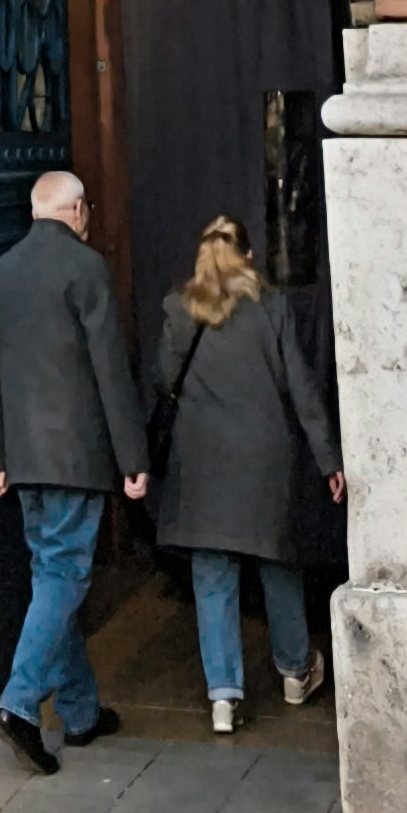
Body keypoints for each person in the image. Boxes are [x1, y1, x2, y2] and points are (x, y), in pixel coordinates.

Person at [0, 168, 149, 775]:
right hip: (76, 457)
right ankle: (20, 706)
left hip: (24, 457)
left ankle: (79, 711)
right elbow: (111, 371)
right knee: (64, 578)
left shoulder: (6, 269)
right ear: (77, 211)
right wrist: (134, 459)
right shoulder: (86, 268)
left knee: (52, 574)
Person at [146, 215, 345, 735]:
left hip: (203, 465)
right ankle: (296, 672)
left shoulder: (178, 308)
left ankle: (223, 696)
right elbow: (302, 390)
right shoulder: (273, 309)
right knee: (277, 565)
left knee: (212, 578)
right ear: (249, 257)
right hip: (264, 463)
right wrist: (329, 460)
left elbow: (163, 379)